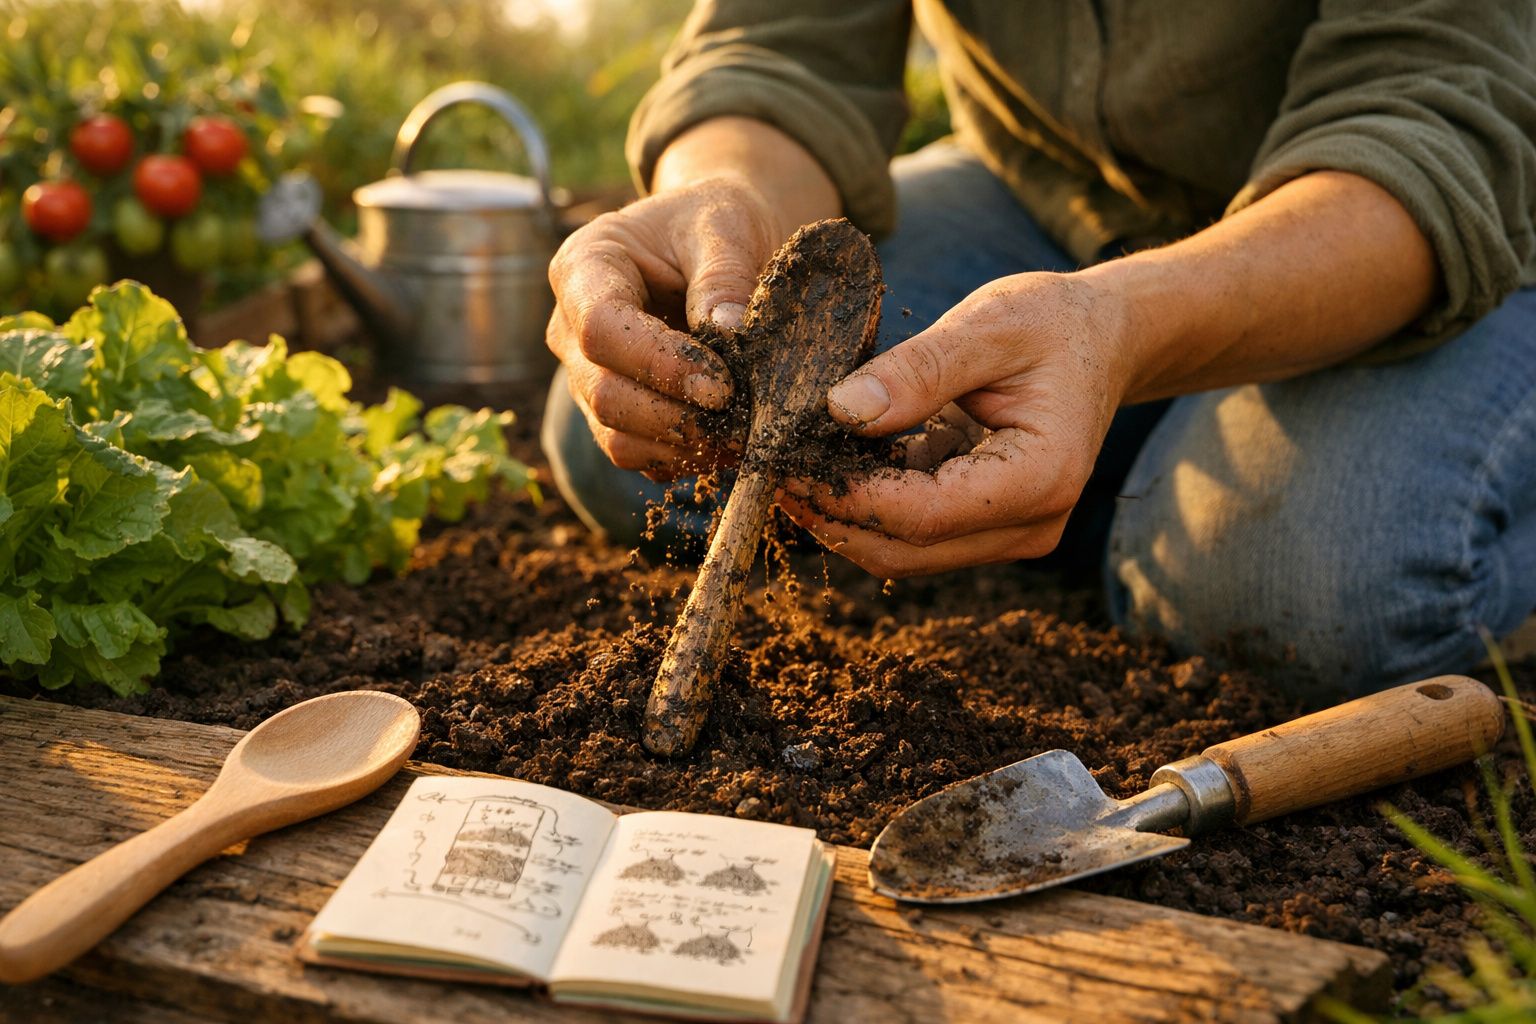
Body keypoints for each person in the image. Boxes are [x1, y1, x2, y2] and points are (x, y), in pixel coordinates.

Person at [540, 2, 1536, 699]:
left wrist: (1127, 330)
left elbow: (1431, 122)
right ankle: (1130, 464)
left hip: (1399, 222)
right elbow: (782, 48)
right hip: (1053, 196)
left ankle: (1142, 480)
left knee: (1291, 594)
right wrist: (726, 199)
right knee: (641, 426)